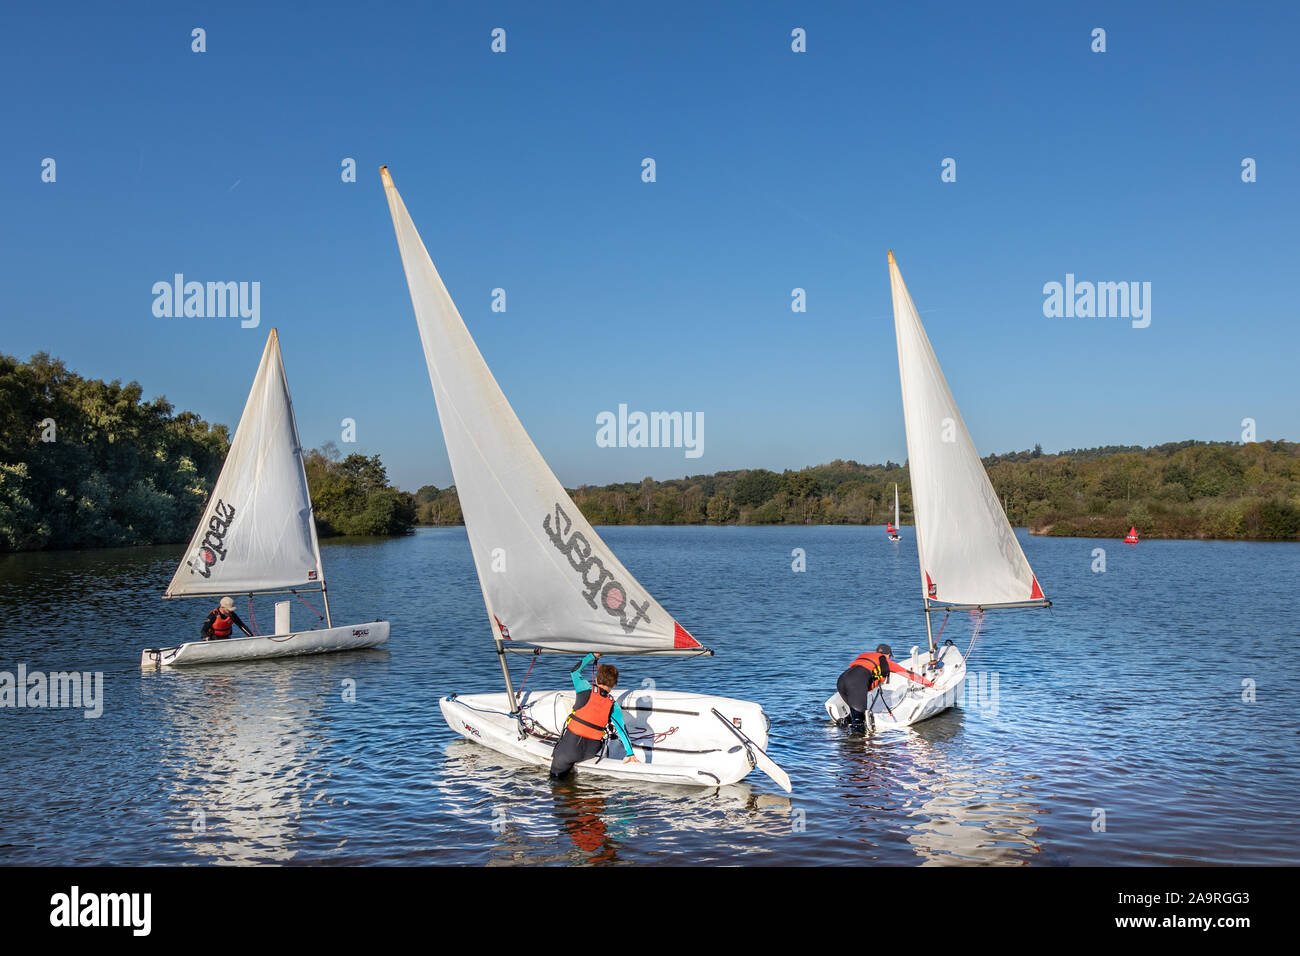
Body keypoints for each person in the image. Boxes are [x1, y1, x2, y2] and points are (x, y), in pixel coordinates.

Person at [549, 653, 639, 778]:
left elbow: (574, 671)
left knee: (556, 780)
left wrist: (593, 656)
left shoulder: (584, 688)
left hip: (570, 749)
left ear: (596, 679)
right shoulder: (614, 705)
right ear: (614, 685)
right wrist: (630, 753)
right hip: (591, 751)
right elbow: (622, 730)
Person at [836, 643, 934, 732]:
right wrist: (931, 684)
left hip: (842, 681)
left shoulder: (865, 656)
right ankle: (858, 747)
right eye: (890, 656)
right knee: (859, 724)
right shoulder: (886, 662)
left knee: (854, 713)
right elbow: (909, 674)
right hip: (856, 683)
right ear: (888, 655)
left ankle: (842, 732)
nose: (890, 658)